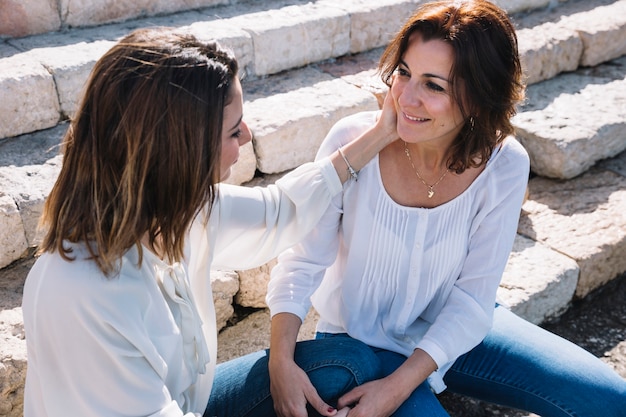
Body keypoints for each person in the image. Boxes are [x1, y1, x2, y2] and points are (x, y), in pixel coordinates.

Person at [266, 1, 626, 416]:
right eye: (404, 72)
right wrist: (281, 362)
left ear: (477, 98)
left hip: (456, 335)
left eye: (433, 86)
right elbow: (302, 262)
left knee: (610, 401)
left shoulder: (504, 163)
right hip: (356, 342)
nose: (406, 98)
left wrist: (399, 386)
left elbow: (474, 300)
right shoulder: (351, 143)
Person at [21, 27, 398, 417]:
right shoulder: (83, 293)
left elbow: (279, 211)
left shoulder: (180, 209)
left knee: (346, 361)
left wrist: (382, 132)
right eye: (234, 130)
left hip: (187, 403)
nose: (248, 136)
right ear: (181, 150)